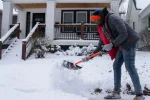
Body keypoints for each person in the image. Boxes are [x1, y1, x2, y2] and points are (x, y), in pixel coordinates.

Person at [88, 7, 144, 100]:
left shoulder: (113, 18)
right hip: (121, 43)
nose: (95, 22)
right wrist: (92, 55)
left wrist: (112, 44)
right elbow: (101, 42)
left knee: (129, 66)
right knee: (116, 65)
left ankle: (139, 94)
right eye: (92, 20)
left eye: (95, 19)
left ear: (100, 16)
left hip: (129, 41)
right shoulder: (103, 25)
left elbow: (123, 33)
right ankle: (116, 92)